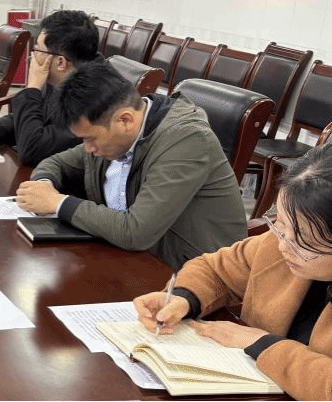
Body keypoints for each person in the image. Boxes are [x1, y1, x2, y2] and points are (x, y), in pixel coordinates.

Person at [133, 143, 332, 400]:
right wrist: (185, 298)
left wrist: (263, 345)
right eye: (281, 224)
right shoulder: (278, 243)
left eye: (306, 241)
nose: (283, 246)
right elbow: (216, 270)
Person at [15, 61, 245, 268]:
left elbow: (135, 232)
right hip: (132, 256)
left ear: (125, 120)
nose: (88, 149)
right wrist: (43, 186)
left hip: (193, 274)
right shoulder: (113, 135)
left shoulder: (188, 140)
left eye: (90, 139)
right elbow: (55, 163)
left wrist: (57, 203)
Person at [0, 10, 103, 165]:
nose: (32, 57)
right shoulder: (67, 79)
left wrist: (32, 88)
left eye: (38, 50)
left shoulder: (93, 99)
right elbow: (34, 118)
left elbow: (33, 149)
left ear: (60, 62)